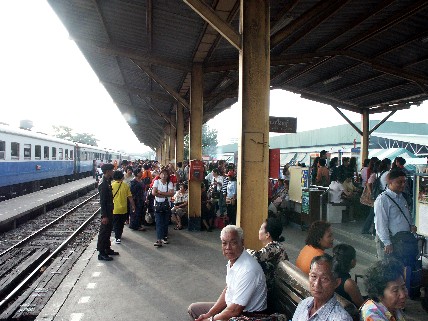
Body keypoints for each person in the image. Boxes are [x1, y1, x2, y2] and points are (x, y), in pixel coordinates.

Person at [188, 225, 267, 321]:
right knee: (193, 309)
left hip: (247, 316)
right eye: (224, 243)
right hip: (232, 308)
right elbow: (228, 291)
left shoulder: (248, 270)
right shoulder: (233, 260)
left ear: (242, 243)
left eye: (233, 243)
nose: (228, 248)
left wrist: (210, 319)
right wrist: (209, 314)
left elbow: (234, 311)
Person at [292, 254, 353, 321]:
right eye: (314, 276)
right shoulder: (304, 304)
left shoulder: (340, 319)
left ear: (336, 283)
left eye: (324, 279)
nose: (317, 284)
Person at [374, 169, 417, 263]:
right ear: (390, 182)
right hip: (391, 241)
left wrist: (411, 225)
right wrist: (387, 243)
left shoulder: (402, 197)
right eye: (399, 182)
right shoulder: (383, 199)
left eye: (404, 182)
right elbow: (381, 223)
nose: (403, 184)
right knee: (388, 269)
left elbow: (405, 215)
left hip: (403, 241)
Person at [247, 218, 289, 312]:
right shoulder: (276, 246)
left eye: (261, 228)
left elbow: (255, 256)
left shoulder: (275, 247)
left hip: (273, 295)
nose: (259, 231)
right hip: (275, 290)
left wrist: (244, 250)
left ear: (267, 234)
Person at [96, 163, 119, 261]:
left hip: (110, 209)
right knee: (104, 232)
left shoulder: (108, 181)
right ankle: (101, 253)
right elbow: (103, 201)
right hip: (106, 211)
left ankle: (107, 248)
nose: (113, 172)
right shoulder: (103, 184)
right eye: (112, 170)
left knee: (108, 230)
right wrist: (104, 216)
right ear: (108, 171)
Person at [111, 170, 136, 244]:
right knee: (121, 223)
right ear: (122, 177)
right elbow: (130, 197)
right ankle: (119, 234)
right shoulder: (126, 185)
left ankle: (117, 237)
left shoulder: (112, 185)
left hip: (115, 208)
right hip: (124, 208)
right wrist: (133, 206)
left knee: (116, 223)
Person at [152, 167, 174, 247]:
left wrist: (160, 193)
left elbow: (171, 194)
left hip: (166, 205)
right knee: (158, 222)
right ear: (160, 175)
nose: (164, 175)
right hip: (157, 205)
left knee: (165, 222)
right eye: (162, 174)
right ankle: (159, 240)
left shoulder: (170, 183)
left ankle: (164, 237)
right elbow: (154, 193)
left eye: (166, 174)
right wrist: (165, 193)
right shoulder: (156, 182)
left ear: (168, 175)